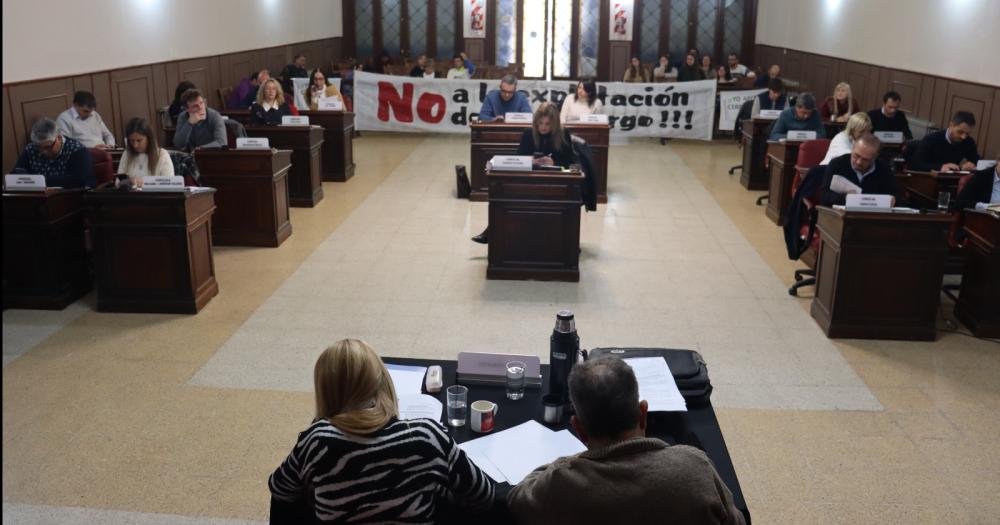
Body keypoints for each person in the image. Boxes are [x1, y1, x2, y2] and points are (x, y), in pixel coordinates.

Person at [268, 339, 494, 523]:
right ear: (383, 381)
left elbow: (280, 490)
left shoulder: (317, 441)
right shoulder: (427, 436)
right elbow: (483, 495)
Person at [507, 357, 745, 525]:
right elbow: (737, 520)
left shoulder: (560, 483)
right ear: (643, 413)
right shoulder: (694, 466)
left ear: (578, 428)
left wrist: (571, 461)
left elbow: (517, 501)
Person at [472, 103, 578, 244]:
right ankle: (493, 232)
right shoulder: (529, 133)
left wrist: (554, 162)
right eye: (540, 123)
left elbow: (571, 162)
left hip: (554, 183)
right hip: (530, 180)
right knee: (506, 196)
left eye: (548, 124)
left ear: (555, 124)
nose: (543, 127)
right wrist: (530, 160)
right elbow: (519, 158)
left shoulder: (563, 134)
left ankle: (568, 243)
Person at [14, 118, 95, 189]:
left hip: (72, 197)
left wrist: (38, 180)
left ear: (59, 138)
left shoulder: (78, 151)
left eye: (47, 147)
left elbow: (78, 180)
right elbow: (16, 173)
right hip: (40, 198)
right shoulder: (31, 148)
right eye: (38, 147)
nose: (43, 152)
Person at [821, 133, 897, 206]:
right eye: (856, 156)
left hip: (872, 215)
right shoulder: (837, 164)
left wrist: (892, 201)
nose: (859, 162)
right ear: (853, 148)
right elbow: (824, 196)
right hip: (841, 214)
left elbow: (895, 197)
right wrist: (846, 199)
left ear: (874, 157)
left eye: (865, 160)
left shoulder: (884, 169)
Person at [910, 111, 980, 172]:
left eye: (967, 134)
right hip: (927, 179)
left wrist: (972, 165)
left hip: (950, 180)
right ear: (951, 125)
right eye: (960, 132)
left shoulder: (968, 141)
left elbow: (976, 160)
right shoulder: (931, 139)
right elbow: (915, 164)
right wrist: (940, 167)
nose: (963, 137)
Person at [117, 117, 173, 187]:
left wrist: (145, 182)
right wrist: (127, 182)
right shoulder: (127, 154)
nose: (135, 145)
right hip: (131, 196)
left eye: (139, 140)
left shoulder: (162, 154)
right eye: (132, 141)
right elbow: (117, 182)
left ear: (149, 139)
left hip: (155, 196)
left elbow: (169, 183)